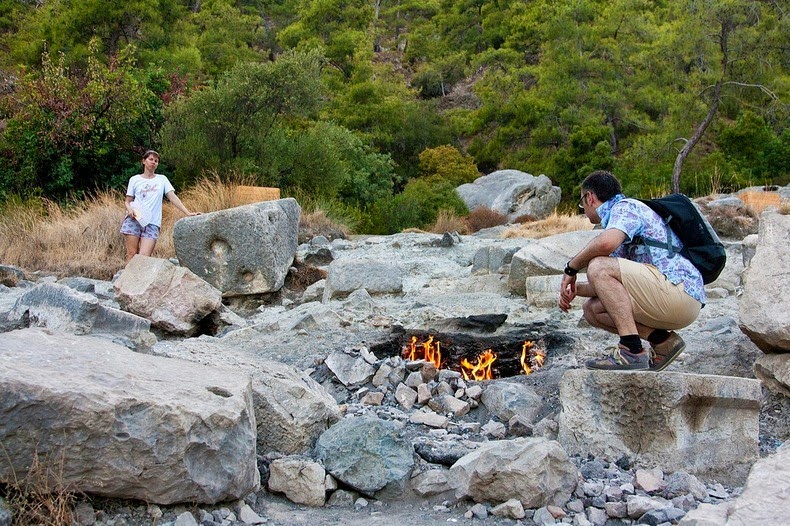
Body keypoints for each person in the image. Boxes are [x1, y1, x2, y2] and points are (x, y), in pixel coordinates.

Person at [558, 170, 705, 371]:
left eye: (582, 204)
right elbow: (610, 286)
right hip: (669, 297)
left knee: (598, 265)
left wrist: (571, 268)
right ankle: (663, 342)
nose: (583, 210)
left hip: (679, 291)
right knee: (592, 309)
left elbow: (605, 247)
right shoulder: (619, 223)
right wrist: (573, 290)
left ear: (589, 198)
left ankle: (631, 351)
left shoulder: (626, 207)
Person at [120, 150, 198, 262]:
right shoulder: (135, 179)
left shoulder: (162, 179)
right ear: (144, 161)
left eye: (156, 161)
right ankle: (128, 274)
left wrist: (187, 212)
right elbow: (128, 201)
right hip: (134, 219)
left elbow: (172, 197)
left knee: (144, 257)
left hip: (152, 222)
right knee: (131, 254)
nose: (153, 162)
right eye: (151, 159)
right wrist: (129, 209)